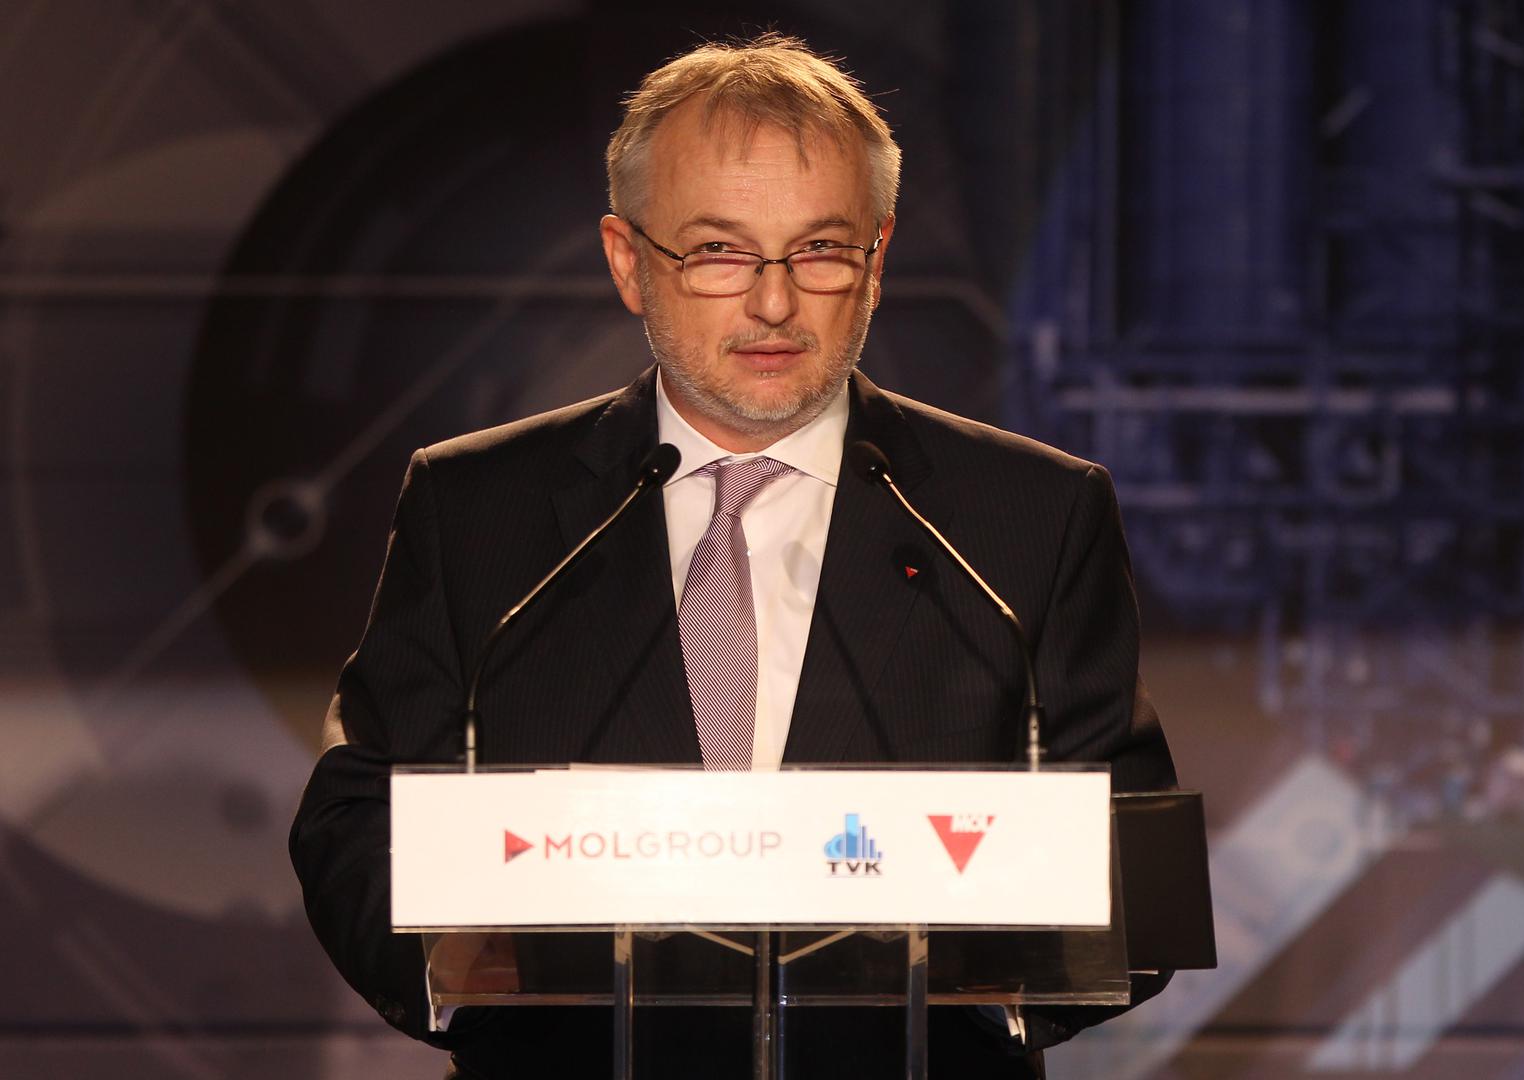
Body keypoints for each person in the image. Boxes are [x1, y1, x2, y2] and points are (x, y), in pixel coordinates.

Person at [290, 32, 1176, 1079]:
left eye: (820, 249)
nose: (773, 302)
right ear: (628, 261)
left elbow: (1133, 863)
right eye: (718, 251)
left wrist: (989, 993)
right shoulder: (477, 509)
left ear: (877, 262)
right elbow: (360, 817)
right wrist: (476, 986)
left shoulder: (1027, 517)